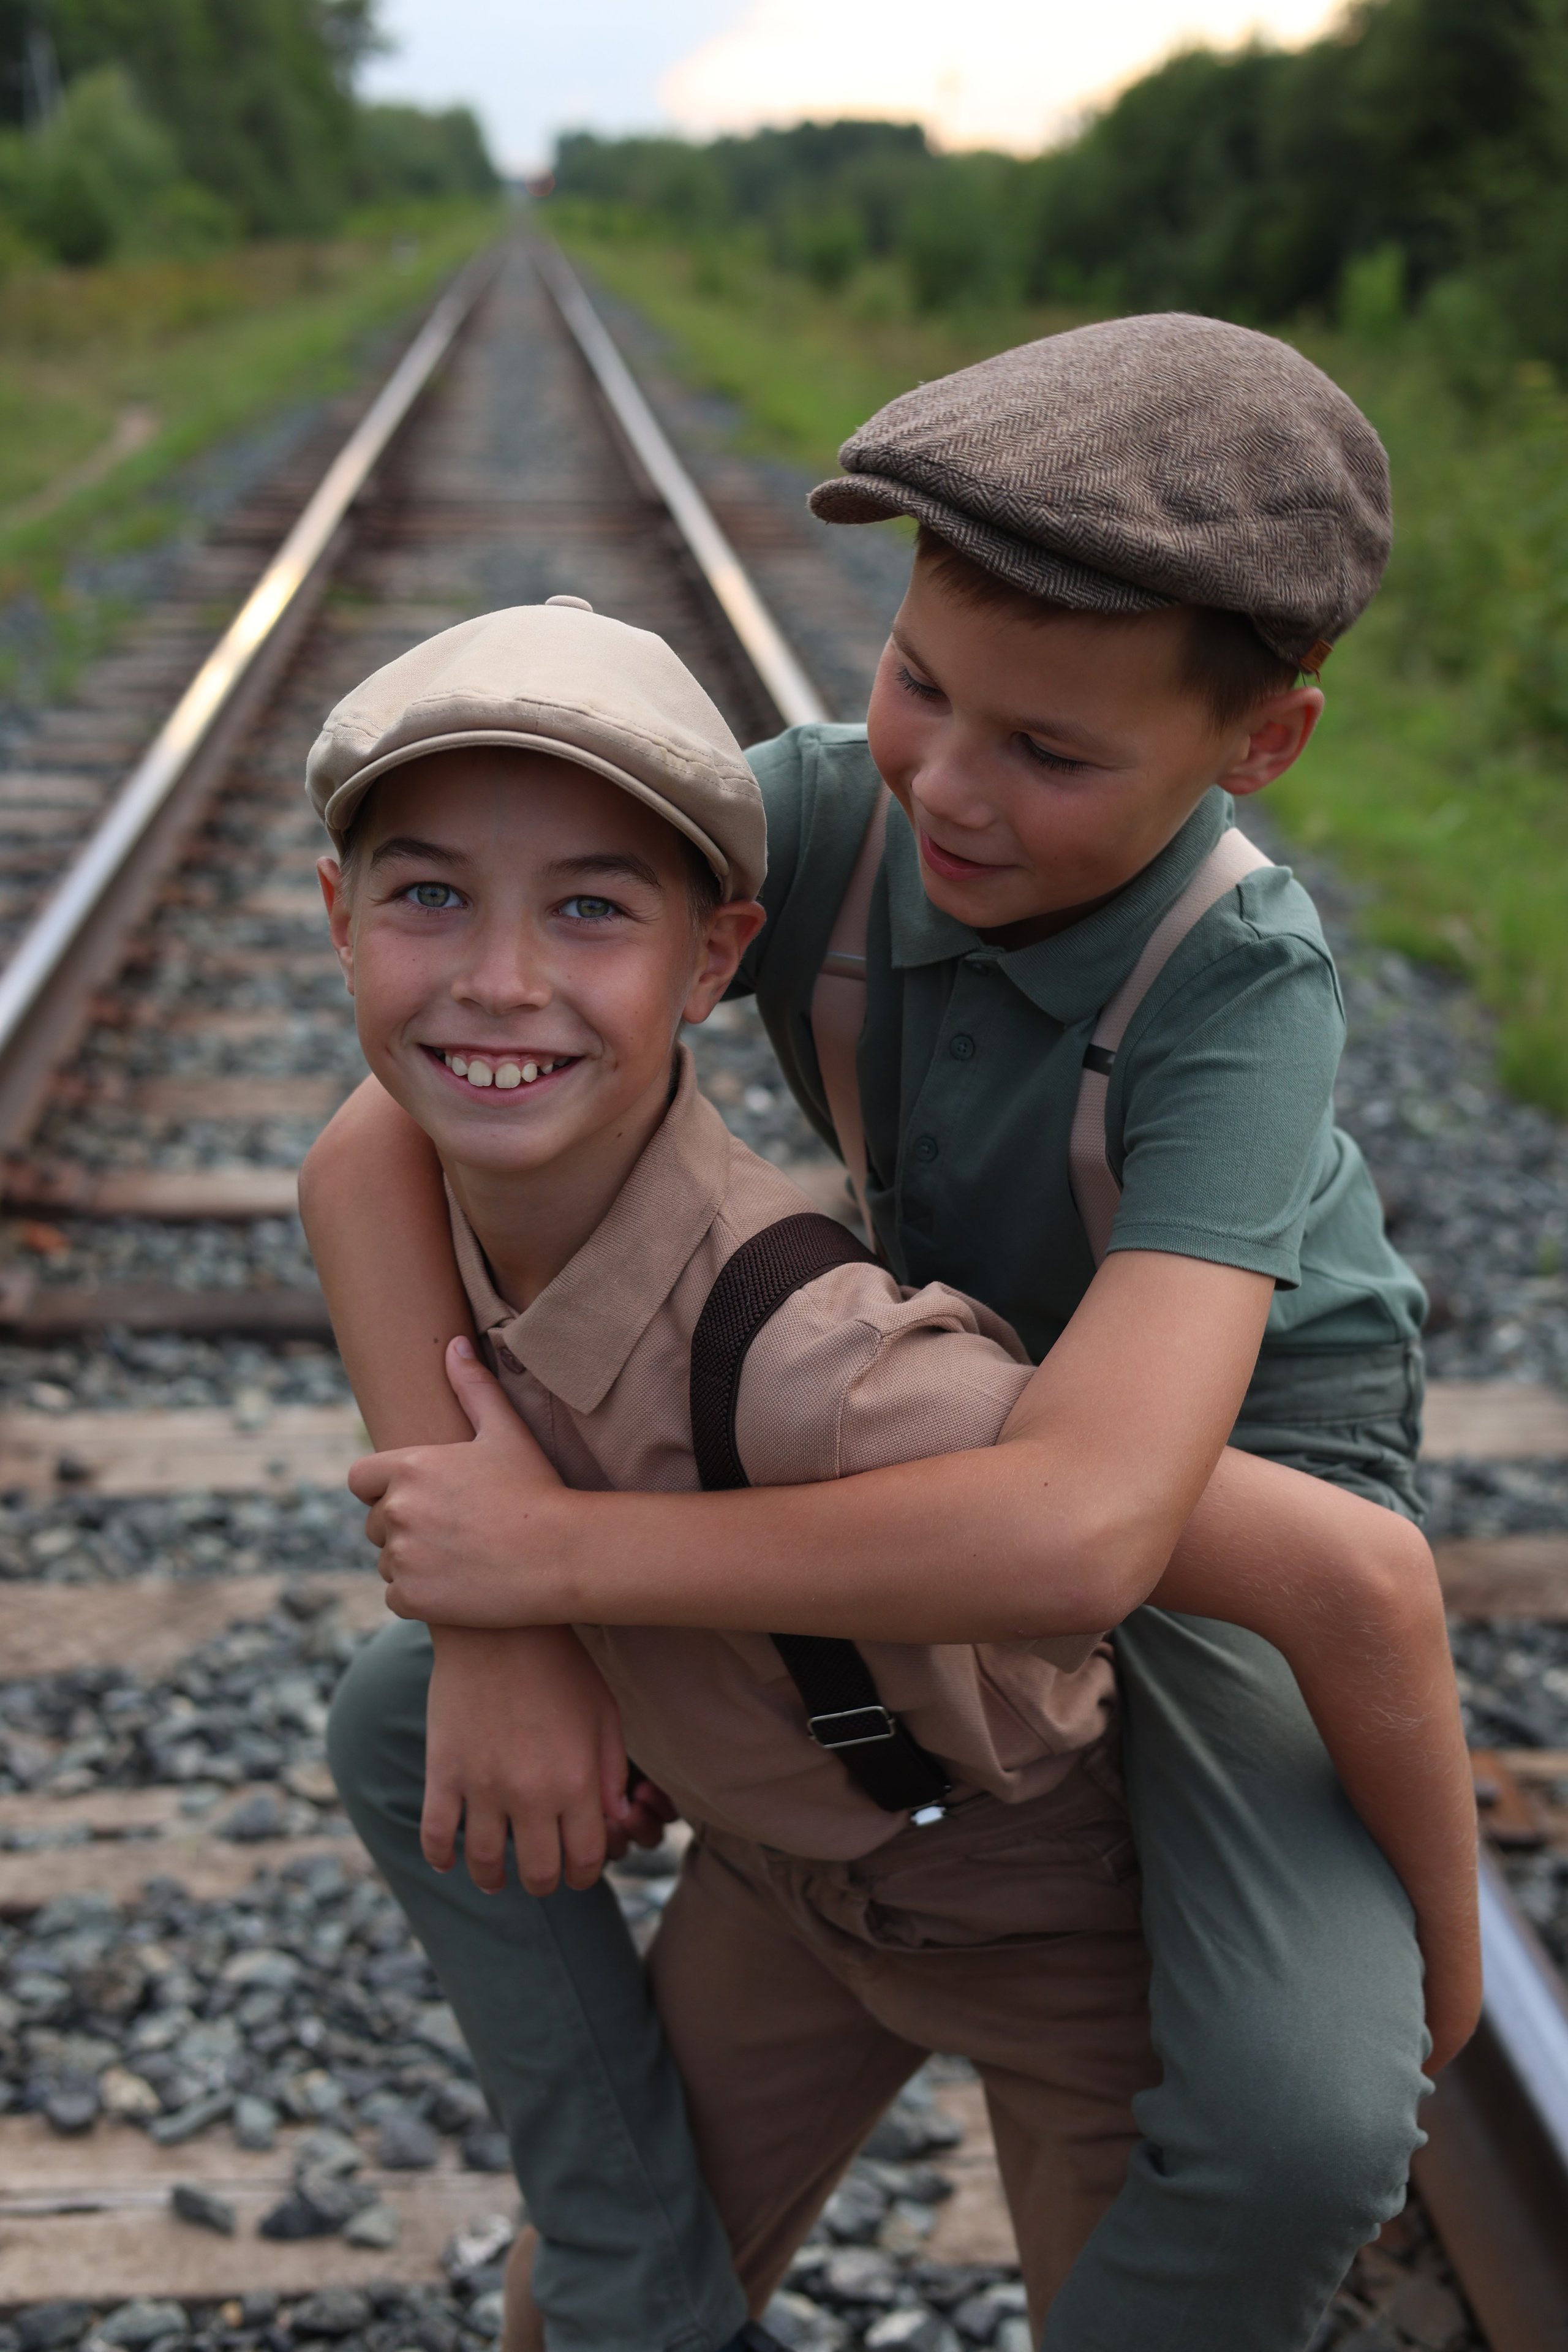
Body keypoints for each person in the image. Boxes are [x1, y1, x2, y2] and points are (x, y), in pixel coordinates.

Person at [309, 317, 1480, 2352]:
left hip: (1222, 1472)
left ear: (1258, 745)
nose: (945, 777)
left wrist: (564, 1559)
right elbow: (376, 1135)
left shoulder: (1242, 987)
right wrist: (491, 1623)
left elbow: (1097, 1530)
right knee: (402, 1710)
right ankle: (627, 2274)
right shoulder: (847, 817)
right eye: (919, 683)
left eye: (1049, 749)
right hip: (942, 1397)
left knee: (1302, 2116)